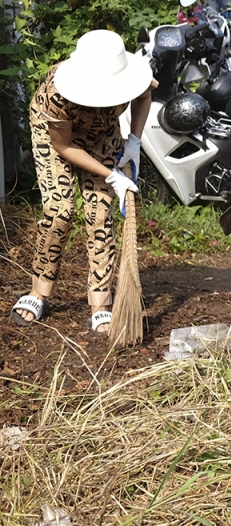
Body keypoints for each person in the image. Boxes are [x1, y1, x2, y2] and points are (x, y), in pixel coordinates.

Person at [10, 30, 152, 334]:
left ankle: (100, 303)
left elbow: (144, 95)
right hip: (56, 137)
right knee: (60, 211)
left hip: (102, 136)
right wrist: (110, 174)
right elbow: (64, 146)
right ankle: (39, 292)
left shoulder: (131, 75)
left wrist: (135, 143)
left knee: (100, 214)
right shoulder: (57, 92)